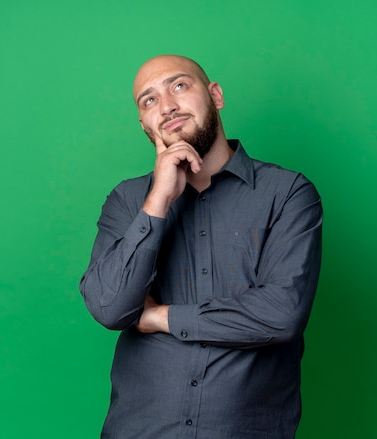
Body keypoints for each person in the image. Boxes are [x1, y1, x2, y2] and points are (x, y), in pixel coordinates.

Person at [79, 54, 323, 439]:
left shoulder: (288, 194)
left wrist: (162, 317)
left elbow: (281, 314)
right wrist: (158, 201)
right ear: (144, 125)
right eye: (149, 100)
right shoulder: (128, 201)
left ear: (215, 95)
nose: (168, 106)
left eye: (179, 86)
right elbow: (110, 308)